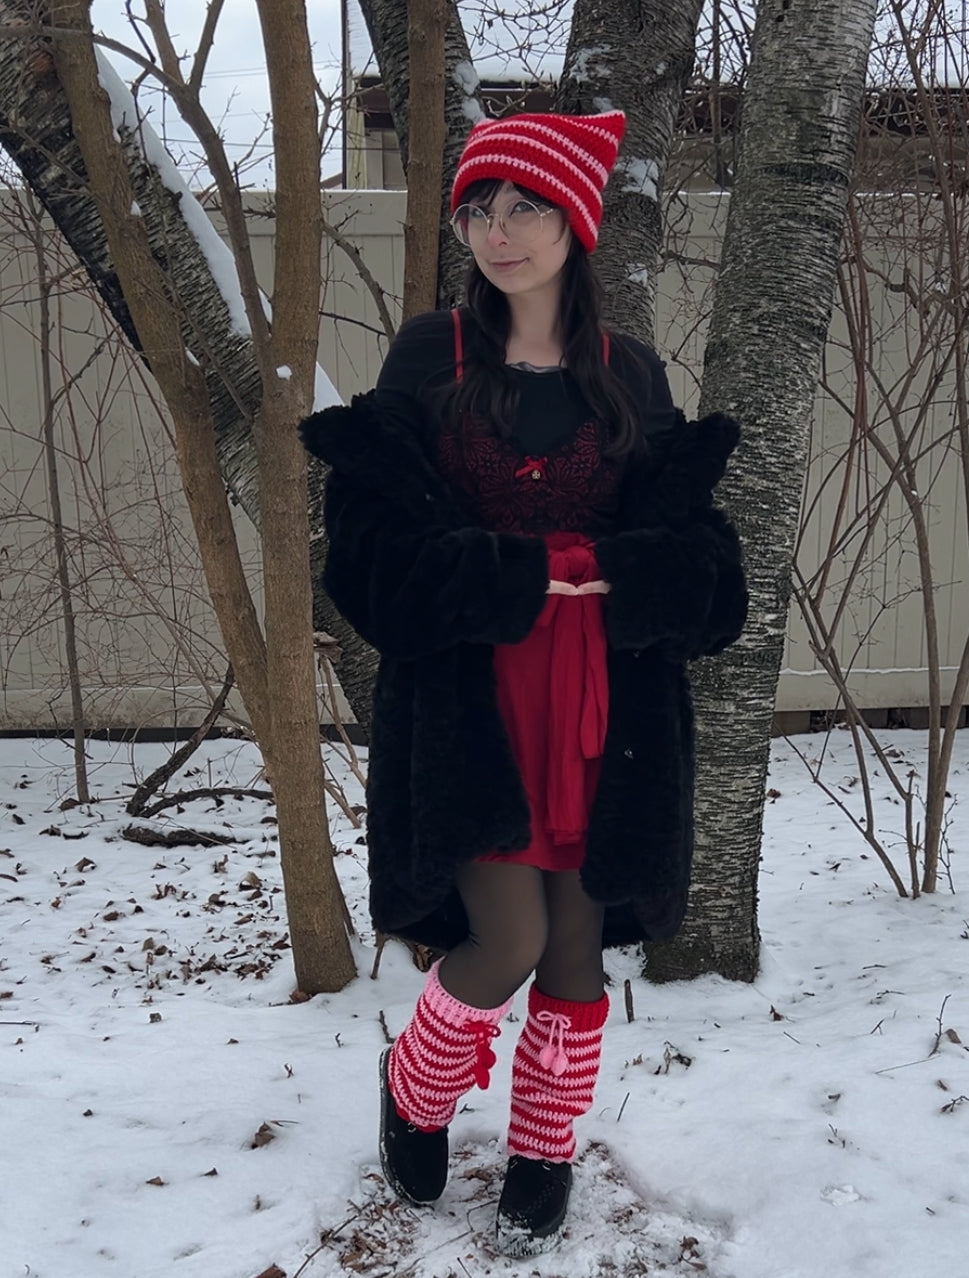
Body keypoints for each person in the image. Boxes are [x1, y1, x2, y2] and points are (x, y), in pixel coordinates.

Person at [299, 109, 748, 1257]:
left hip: (605, 703)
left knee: (574, 951)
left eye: (524, 206)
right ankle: (416, 1086)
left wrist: (627, 576)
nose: (497, 231)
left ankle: (545, 1145)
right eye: (480, 208)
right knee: (500, 941)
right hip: (471, 704)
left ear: (575, 222)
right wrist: (503, 578)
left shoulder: (627, 374)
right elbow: (367, 549)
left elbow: (694, 552)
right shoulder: (430, 354)